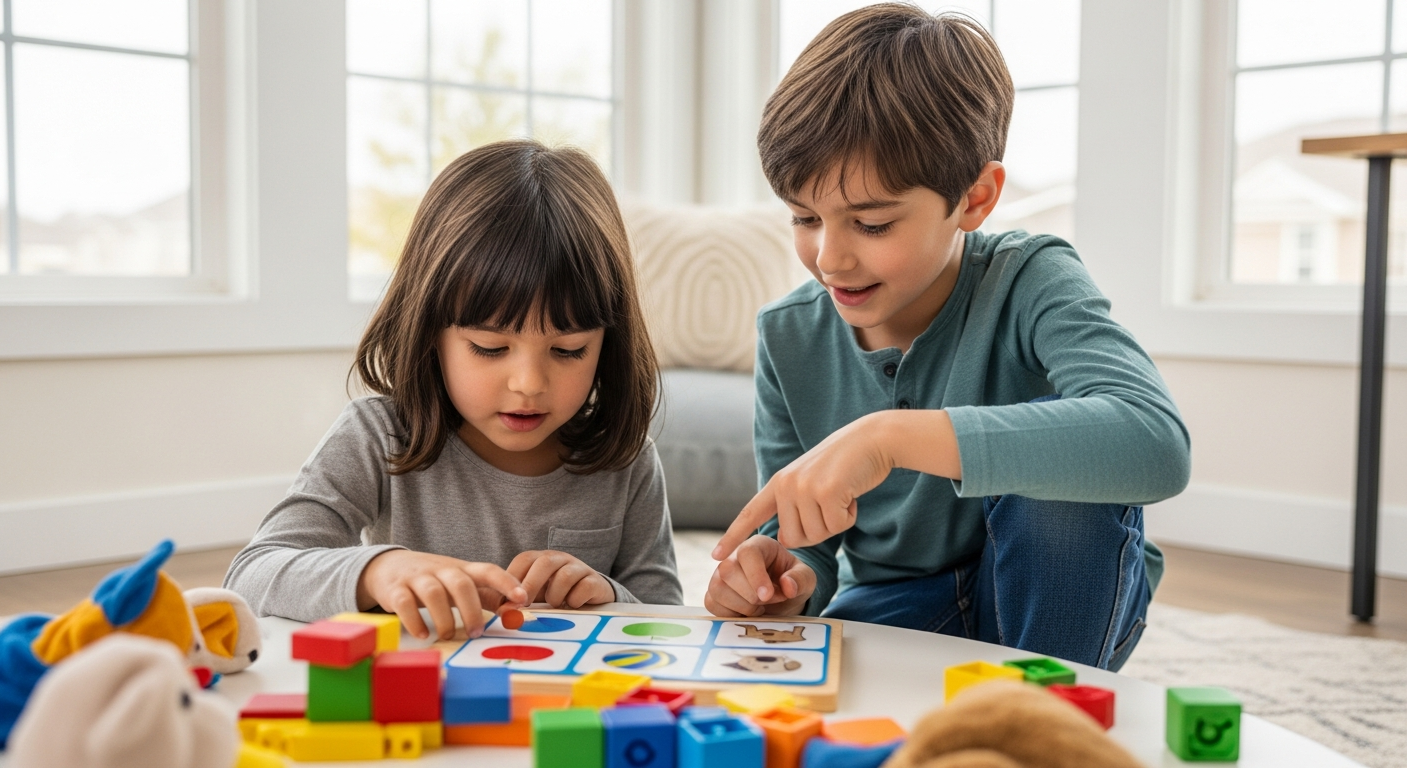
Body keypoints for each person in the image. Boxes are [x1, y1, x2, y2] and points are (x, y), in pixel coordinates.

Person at [705, 4, 1189, 670]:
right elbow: (804, 544)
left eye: (871, 224)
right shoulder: (788, 335)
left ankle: (1040, 723)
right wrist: (782, 576)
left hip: (1054, 599)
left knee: (1065, 491)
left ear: (975, 198)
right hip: (899, 607)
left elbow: (1154, 442)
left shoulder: (1031, 278)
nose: (830, 258)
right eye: (804, 217)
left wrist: (886, 438)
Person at [226, 140, 682, 640]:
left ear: (607, 343)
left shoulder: (628, 462)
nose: (528, 384)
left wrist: (611, 595)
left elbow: (667, 618)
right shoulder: (377, 436)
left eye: (569, 349)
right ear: (430, 333)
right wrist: (378, 571)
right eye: (489, 347)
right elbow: (252, 574)